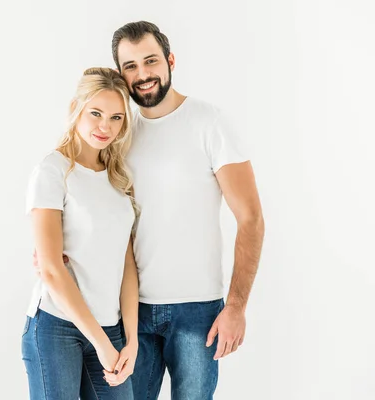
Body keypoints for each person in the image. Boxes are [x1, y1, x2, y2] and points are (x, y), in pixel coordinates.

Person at [99, 21, 265, 399]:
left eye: (151, 61)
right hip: (129, 311)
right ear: (120, 75)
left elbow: (251, 219)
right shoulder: (118, 133)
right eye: (130, 66)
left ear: (170, 60)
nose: (142, 75)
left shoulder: (210, 123)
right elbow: (95, 207)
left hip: (198, 312)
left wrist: (236, 307)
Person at [21, 67, 139, 399]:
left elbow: (126, 262)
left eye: (116, 117)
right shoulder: (52, 171)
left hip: (111, 328)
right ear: (76, 108)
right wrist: (101, 343)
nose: (106, 126)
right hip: (57, 327)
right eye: (96, 113)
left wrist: (130, 339)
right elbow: (51, 269)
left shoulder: (118, 179)